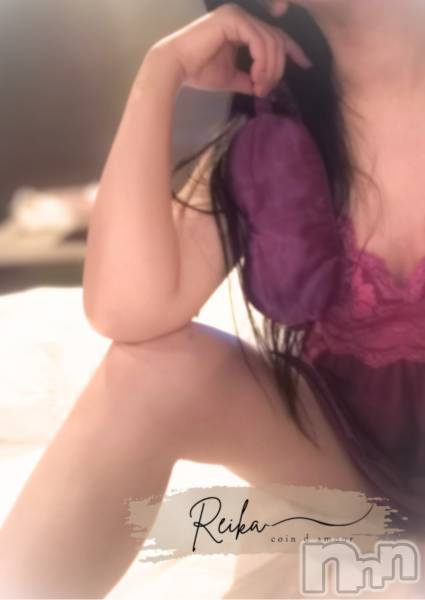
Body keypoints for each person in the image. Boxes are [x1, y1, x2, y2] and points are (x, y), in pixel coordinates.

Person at [0, 0, 424, 597]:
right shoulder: (278, 141)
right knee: (149, 372)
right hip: (349, 464)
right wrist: (160, 74)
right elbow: (126, 312)